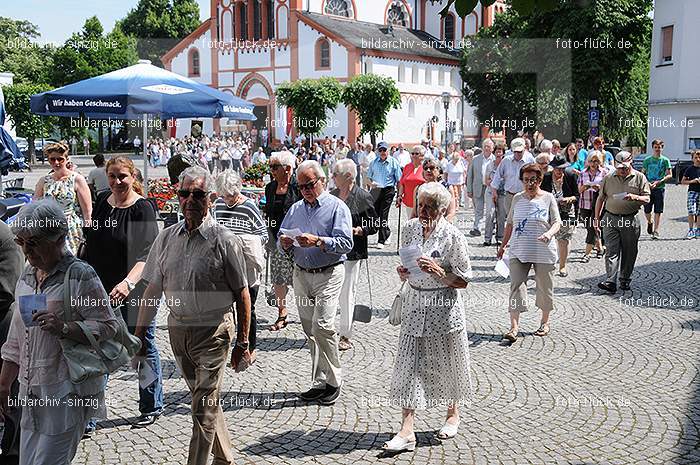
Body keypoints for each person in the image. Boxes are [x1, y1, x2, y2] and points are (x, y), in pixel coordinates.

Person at [135, 166, 252, 465]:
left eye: (198, 194)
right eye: (184, 193)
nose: (189, 200)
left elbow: (242, 294)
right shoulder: (166, 238)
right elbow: (152, 291)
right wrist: (138, 336)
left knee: (201, 409)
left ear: (210, 198)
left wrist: (243, 343)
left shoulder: (225, 240)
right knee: (206, 401)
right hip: (178, 330)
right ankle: (225, 458)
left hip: (214, 332)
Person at [0, 200, 119, 465]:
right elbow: (16, 339)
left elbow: (108, 326)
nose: (28, 251)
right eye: (23, 243)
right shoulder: (28, 275)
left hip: (66, 392)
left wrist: (64, 327)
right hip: (30, 392)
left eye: (34, 242)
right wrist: (4, 384)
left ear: (59, 239)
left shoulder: (80, 275)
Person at [384, 182, 473, 452]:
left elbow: (464, 280)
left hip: (443, 309)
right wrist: (404, 272)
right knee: (409, 365)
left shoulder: (453, 236)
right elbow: (406, 265)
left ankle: (452, 414)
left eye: (430, 207)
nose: (424, 211)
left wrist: (438, 271)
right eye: (421, 205)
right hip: (414, 304)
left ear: (442, 209)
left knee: (449, 362)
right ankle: (407, 430)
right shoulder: (410, 228)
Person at [83, 156, 163, 430]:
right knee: (98, 349)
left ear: (133, 177)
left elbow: (147, 254)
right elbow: (91, 244)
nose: (117, 182)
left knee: (141, 345)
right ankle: (91, 415)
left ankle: (151, 405)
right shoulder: (102, 203)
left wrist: (127, 283)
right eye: (113, 176)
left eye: (122, 177)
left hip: (137, 289)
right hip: (102, 289)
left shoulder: (143, 209)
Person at [278, 160, 353, 405]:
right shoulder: (296, 208)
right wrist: (285, 243)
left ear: (322, 181)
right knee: (310, 330)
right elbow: (281, 237)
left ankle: (335, 380)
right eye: (301, 187)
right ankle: (319, 382)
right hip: (301, 273)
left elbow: (346, 244)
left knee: (323, 325)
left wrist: (320, 241)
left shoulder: (337, 207)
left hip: (329, 272)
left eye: (310, 184)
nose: (306, 190)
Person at [497, 163, 562, 342]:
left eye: (533, 180)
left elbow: (557, 222)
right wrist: (503, 246)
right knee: (516, 286)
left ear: (540, 180)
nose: (529, 183)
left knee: (544, 286)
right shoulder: (517, 198)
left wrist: (549, 234)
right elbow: (509, 223)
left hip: (543, 250)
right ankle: (514, 327)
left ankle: (544, 322)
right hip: (519, 248)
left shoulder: (548, 198)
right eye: (526, 180)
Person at [213, 170, 268, 361]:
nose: (227, 199)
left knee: (248, 308)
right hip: (225, 265)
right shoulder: (218, 204)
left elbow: (263, 234)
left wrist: (244, 241)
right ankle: (227, 347)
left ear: (238, 191)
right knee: (225, 307)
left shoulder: (249, 206)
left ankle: (250, 348)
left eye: (230, 195)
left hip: (247, 266)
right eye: (223, 195)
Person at [330, 159, 379, 351]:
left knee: (347, 294)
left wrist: (359, 230)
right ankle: (328, 330)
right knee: (331, 292)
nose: (332, 176)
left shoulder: (363, 196)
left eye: (336, 174)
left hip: (352, 252)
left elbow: (375, 225)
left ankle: (345, 334)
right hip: (332, 251)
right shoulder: (332, 195)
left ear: (348, 176)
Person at [594, 151, 651, 293]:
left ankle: (625, 279)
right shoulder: (608, 178)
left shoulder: (639, 177)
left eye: (624, 168)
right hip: (611, 218)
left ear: (630, 162)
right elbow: (600, 198)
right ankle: (610, 281)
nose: (622, 171)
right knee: (611, 251)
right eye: (619, 168)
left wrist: (635, 197)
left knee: (629, 251)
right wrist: (596, 218)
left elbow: (647, 198)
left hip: (630, 219)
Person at [34, 142, 92, 255]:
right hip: (49, 227)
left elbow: (87, 212)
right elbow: (35, 207)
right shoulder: (44, 181)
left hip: (70, 228)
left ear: (66, 159)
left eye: (60, 159)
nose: (56, 162)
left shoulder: (77, 179)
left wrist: (88, 233)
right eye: (52, 159)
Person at [264, 151, 300, 331]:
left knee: (300, 279)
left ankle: (307, 312)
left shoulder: (298, 187)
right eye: (270, 166)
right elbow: (268, 212)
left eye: (274, 167)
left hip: (297, 242)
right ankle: (282, 313)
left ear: (287, 169)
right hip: (276, 241)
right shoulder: (270, 188)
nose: (271, 170)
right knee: (279, 278)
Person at [0, 221, 23, 463]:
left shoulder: (4, 235)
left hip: (5, 324)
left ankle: (13, 454)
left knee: (11, 399)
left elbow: (6, 292)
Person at [541, 158, 579, 277]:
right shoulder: (546, 177)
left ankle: (562, 266)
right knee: (548, 237)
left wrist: (568, 199)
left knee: (564, 239)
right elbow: (540, 194)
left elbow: (577, 195)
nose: (560, 171)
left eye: (562, 169)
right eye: (558, 169)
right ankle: (548, 263)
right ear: (553, 168)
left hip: (567, 211)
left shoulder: (570, 176)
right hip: (549, 211)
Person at [367, 141, 402, 249]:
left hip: (388, 190)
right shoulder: (373, 162)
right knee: (375, 215)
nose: (382, 152)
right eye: (380, 150)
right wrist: (370, 183)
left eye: (384, 150)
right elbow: (368, 177)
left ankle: (381, 240)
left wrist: (399, 195)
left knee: (383, 214)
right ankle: (387, 232)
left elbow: (399, 180)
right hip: (376, 190)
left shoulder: (393, 162)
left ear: (388, 151)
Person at [490, 138, 536, 217]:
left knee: (524, 220)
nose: (518, 154)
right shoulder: (506, 161)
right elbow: (497, 176)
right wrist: (494, 192)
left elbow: (536, 176)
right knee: (510, 220)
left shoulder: (530, 160)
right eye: (515, 152)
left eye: (520, 152)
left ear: (524, 149)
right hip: (509, 196)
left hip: (525, 195)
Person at [577, 151, 607, 261]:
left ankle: (587, 254)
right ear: (588, 162)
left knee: (592, 227)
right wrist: (585, 187)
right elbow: (579, 190)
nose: (594, 164)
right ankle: (600, 248)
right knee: (591, 228)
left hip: (598, 204)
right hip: (585, 204)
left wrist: (599, 188)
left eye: (596, 161)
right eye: (592, 161)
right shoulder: (582, 173)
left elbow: (607, 189)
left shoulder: (604, 173)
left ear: (600, 162)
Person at [642, 139, 673, 239]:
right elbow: (642, 174)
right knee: (647, 209)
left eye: (659, 147)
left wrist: (659, 181)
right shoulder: (647, 160)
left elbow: (669, 175)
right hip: (648, 188)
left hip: (660, 188)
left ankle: (656, 230)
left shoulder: (665, 160)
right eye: (655, 147)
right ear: (653, 148)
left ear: (662, 148)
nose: (657, 149)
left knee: (658, 210)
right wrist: (647, 183)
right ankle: (650, 222)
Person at [466, 139, 495, 236]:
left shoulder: (495, 160)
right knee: (478, 209)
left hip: (490, 188)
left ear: (492, 148)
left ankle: (491, 228)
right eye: (485, 146)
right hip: (478, 187)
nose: (486, 148)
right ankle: (477, 228)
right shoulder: (475, 159)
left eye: (489, 146)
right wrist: (469, 190)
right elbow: (470, 175)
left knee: (491, 209)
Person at [396, 145, 426, 223]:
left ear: (422, 156)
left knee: (421, 224)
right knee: (411, 223)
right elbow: (402, 183)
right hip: (408, 201)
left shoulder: (425, 168)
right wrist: (399, 195)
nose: (414, 156)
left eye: (416, 154)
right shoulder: (407, 167)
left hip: (422, 203)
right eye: (412, 154)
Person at [484, 143, 507, 246]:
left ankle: (500, 237)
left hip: (502, 193)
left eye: (500, 151)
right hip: (490, 192)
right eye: (497, 151)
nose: (498, 153)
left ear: (503, 154)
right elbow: (486, 180)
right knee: (490, 214)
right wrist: (494, 182)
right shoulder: (490, 165)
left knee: (501, 216)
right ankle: (487, 238)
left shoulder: (506, 165)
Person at [681, 150, 700, 239]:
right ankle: (691, 229)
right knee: (691, 211)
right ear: (692, 159)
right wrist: (693, 181)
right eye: (695, 157)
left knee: (699, 212)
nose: (698, 159)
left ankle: (698, 230)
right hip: (692, 192)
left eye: (699, 157)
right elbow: (683, 181)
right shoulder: (690, 169)